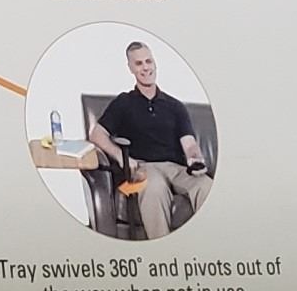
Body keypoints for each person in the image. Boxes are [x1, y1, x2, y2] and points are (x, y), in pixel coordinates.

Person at [88, 41, 212, 239]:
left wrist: (195, 158)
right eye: (138, 63)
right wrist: (120, 156)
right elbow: (97, 134)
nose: (145, 67)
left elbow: (189, 143)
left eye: (148, 61)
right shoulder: (124, 102)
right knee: (153, 188)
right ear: (130, 68)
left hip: (176, 167)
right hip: (144, 167)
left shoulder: (175, 106)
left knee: (206, 186)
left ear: (155, 63)